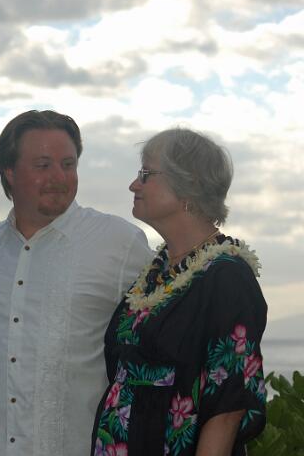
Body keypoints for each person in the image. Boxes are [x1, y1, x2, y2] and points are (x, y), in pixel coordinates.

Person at [0, 110, 152, 456]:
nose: (58, 177)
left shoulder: (119, 242)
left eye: (68, 164)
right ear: (8, 171)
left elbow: (168, 337)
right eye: (43, 165)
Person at [91, 129, 266, 455]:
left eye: (146, 174)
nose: (133, 184)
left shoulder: (226, 278)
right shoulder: (157, 273)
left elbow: (227, 409)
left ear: (189, 184)